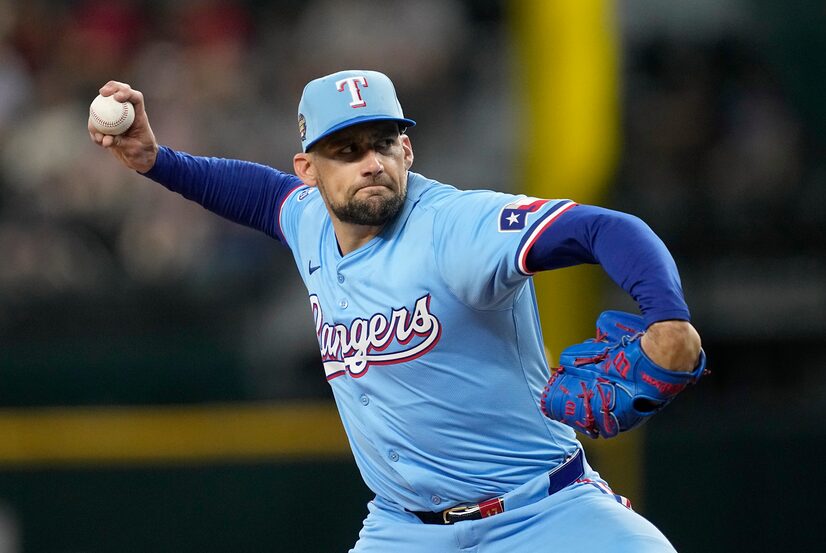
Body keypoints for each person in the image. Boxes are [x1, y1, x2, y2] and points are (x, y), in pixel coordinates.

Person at [89, 70, 703, 552]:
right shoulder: (310, 219)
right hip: (404, 531)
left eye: (382, 142)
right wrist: (155, 161)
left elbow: (606, 229)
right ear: (309, 170)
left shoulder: (455, 228)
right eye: (345, 149)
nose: (370, 163)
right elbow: (254, 194)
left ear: (406, 149)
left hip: (543, 515)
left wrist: (668, 320)